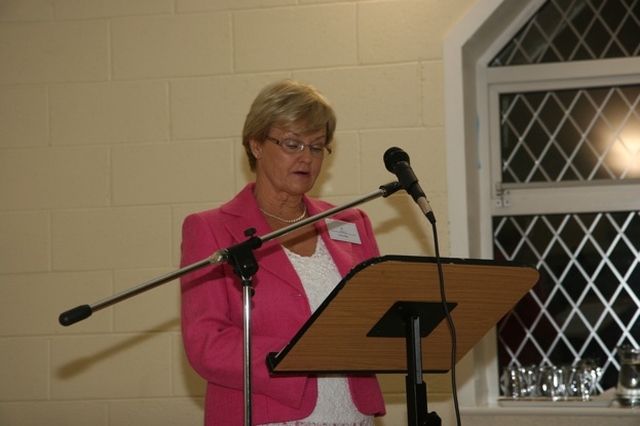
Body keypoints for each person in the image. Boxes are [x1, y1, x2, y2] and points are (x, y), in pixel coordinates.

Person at [180, 79, 386, 425]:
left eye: (318, 147)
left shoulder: (350, 221)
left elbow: (376, 314)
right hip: (265, 415)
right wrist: (298, 356)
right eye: (292, 144)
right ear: (256, 144)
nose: (306, 157)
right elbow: (207, 343)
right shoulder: (211, 229)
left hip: (352, 414)